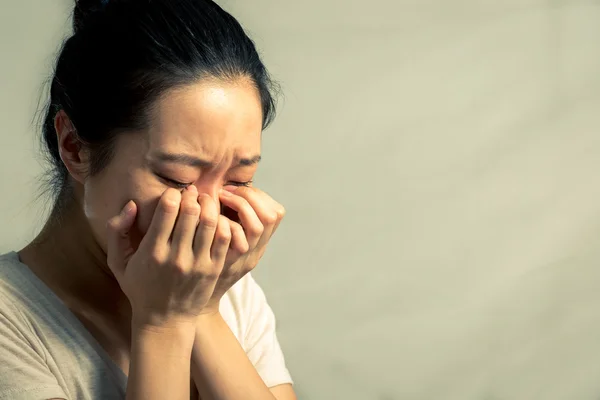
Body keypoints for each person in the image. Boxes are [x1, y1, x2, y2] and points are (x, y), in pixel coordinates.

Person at [0, 0, 297, 399]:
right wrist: (165, 322)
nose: (208, 215)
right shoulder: (11, 323)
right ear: (74, 146)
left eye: (239, 179)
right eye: (177, 179)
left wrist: (205, 309)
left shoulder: (223, 287)